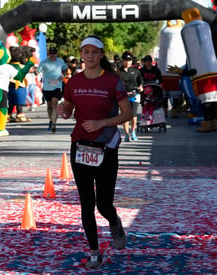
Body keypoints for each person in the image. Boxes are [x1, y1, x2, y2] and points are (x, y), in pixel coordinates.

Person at [57, 35, 131, 269]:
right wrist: (63, 110)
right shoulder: (73, 82)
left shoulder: (112, 80)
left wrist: (102, 123)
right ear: (81, 54)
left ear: (101, 55)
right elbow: (68, 111)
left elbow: (127, 114)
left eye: (94, 52)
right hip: (80, 145)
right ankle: (94, 251)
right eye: (85, 51)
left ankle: (114, 221)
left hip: (106, 145)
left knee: (104, 204)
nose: (89, 56)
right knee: (86, 203)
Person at [37, 47, 67, 133]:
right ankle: (51, 120)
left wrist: (63, 75)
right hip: (47, 87)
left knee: (54, 105)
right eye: (51, 53)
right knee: (49, 106)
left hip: (57, 86)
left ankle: (54, 123)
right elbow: (38, 71)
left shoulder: (60, 61)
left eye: (54, 53)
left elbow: (65, 69)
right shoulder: (44, 62)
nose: (52, 55)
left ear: (56, 54)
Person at [119, 51, 143, 142]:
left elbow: (140, 82)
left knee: (133, 114)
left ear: (131, 61)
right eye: (125, 60)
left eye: (129, 60)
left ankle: (133, 131)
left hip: (134, 94)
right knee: (125, 115)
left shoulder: (136, 71)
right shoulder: (119, 72)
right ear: (122, 61)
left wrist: (141, 87)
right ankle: (126, 133)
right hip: (123, 95)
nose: (127, 62)